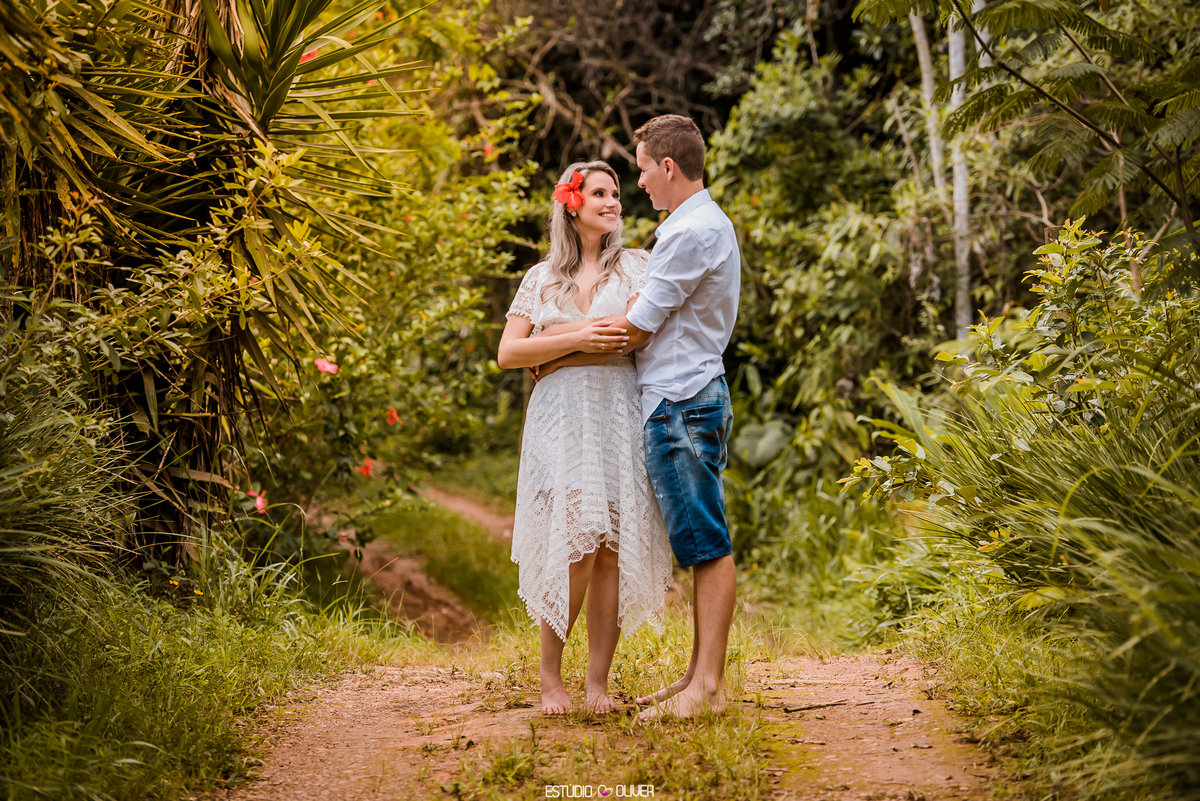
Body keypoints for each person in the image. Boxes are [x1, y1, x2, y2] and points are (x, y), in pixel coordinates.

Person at [497, 161, 673, 716]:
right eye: (600, 192)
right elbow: (508, 353)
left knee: (612, 549)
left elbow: (630, 337)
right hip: (560, 419)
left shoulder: (639, 268)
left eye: (617, 192)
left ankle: (597, 683)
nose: (614, 201)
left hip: (617, 411)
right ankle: (551, 677)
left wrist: (554, 349)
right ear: (572, 203)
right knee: (575, 540)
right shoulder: (541, 277)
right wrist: (576, 336)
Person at [600, 115, 741, 720]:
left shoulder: (690, 233)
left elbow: (636, 326)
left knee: (706, 543)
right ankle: (696, 678)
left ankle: (707, 689)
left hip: (680, 401)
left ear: (667, 166)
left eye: (639, 171)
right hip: (689, 396)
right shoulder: (693, 226)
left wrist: (554, 350)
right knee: (699, 538)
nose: (638, 186)